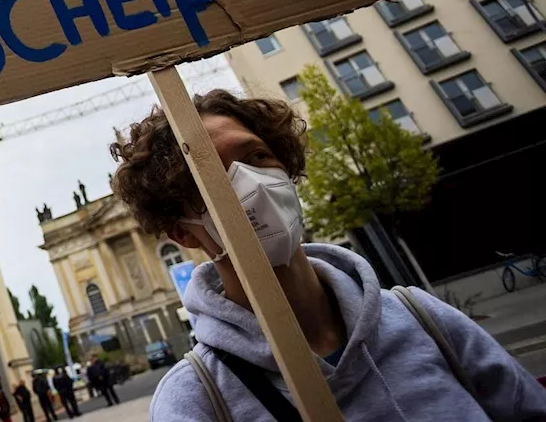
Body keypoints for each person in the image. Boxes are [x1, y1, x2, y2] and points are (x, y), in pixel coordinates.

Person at [110, 89, 546, 421]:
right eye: (211, 175)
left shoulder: (422, 318)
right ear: (180, 232)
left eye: (258, 156)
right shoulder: (197, 400)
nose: (251, 181)